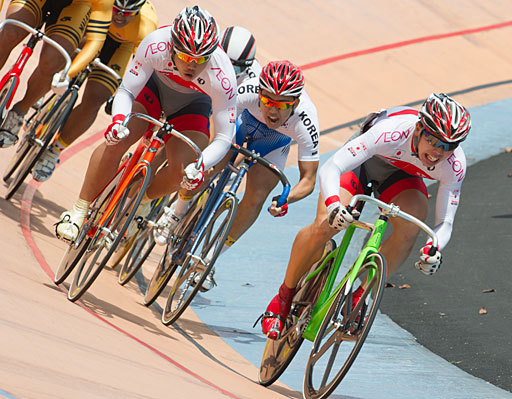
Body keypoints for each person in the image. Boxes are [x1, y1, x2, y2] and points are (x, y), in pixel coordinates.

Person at [260, 93, 472, 339]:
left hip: (400, 178)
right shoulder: (391, 131)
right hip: (362, 164)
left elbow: (444, 222)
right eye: (434, 140)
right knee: (324, 225)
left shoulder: (455, 165)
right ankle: (283, 298)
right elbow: (333, 167)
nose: (438, 152)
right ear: (418, 129)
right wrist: (333, 206)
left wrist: (433, 247)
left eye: (449, 146)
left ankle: (360, 295)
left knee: (410, 229)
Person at [55, 6, 237, 242]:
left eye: (201, 59)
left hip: (191, 106)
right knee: (117, 141)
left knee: (184, 174)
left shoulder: (223, 76)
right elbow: (127, 91)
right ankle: (79, 210)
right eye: (185, 57)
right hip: (153, 90)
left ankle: (142, 200)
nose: (192, 65)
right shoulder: (156, 44)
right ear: (172, 47)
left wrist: (201, 165)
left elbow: (224, 137)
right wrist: (119, 122)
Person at [153, 60, 320, 292]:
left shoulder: (306, 119)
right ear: (259, 93)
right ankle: (178, 211)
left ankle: (210, 258)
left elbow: (309, 180)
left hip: (273, 146)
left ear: (296, 103)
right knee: (208, 168)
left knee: (257, 197)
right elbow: (219, 131)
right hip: (239, 127)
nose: (273, 110)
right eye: (268, 101)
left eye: (282, 106)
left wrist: (286, 199)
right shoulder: (246, 91)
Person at [31, 0, 158, 182]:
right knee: (66, 52)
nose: (120, 16)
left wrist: (123, 93)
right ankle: (46, 87)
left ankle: (54, 151)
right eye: (116, 9)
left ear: (138, 12)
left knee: (95, 99)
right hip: (92, 26)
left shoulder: (147, 25)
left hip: (120, 47)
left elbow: (141, 68)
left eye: (128, 14)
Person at [0, 0, 113, 148]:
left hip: (74, 7)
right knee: (10, 32)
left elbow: (95, 42)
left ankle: (20, 110)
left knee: (52, 61)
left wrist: (67, 74)